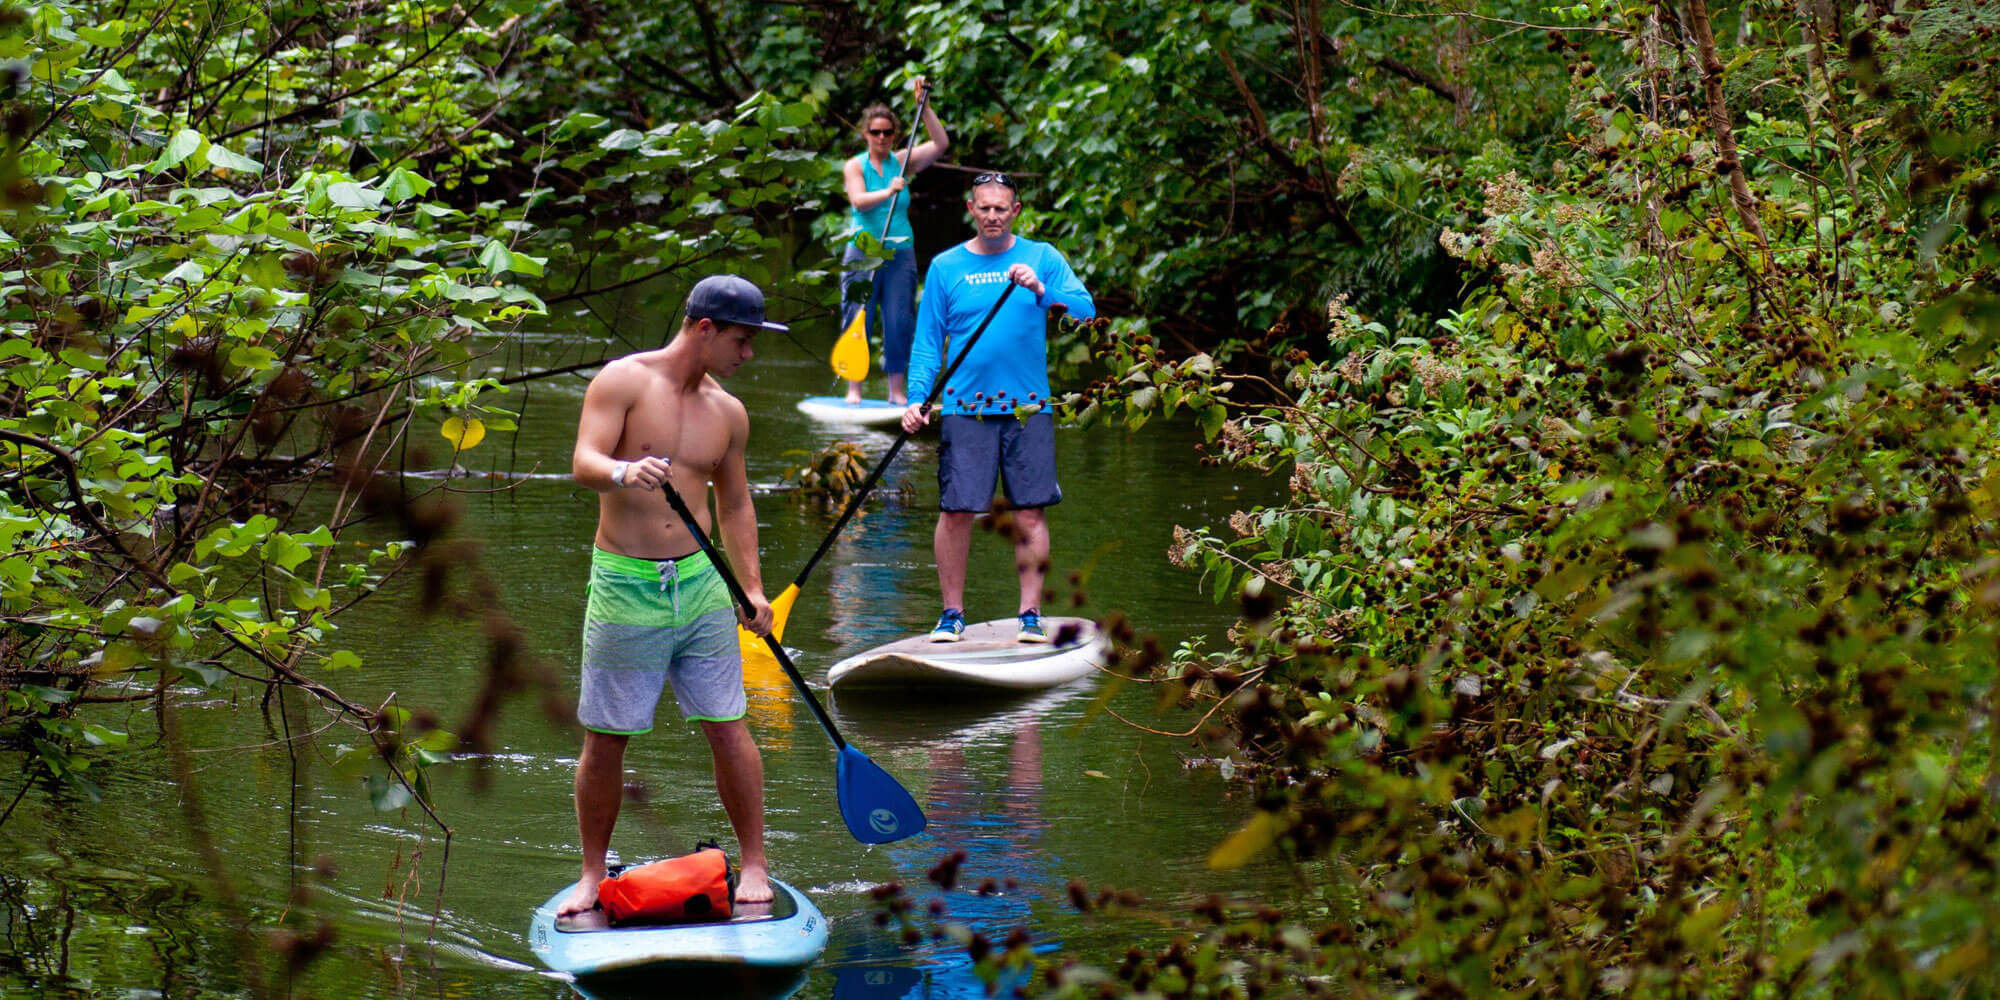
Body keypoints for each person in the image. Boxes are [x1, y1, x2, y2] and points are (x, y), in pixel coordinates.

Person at [558, 274, 782, 919]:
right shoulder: (623, 381)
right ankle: (591, 874)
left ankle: (756, 865)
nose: (748, 354)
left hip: (703, 585)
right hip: (626, 585)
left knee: (730, 728)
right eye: (742, 340)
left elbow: (735, 503)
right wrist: (626, 469)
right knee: (606, 739)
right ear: (705, 329)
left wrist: (753, 589)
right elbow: (583, 462)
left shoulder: (729, 413)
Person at [900, 173, 1095, 644]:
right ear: (970, 208)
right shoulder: (946, 267)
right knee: (956, 511)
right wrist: (916, 398)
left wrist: (1042, 292)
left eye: (1000, 209)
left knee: (1029, 513)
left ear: (1016, 211)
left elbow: (1086, 311)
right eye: (984, 208)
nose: (992, 216)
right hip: (966, 408)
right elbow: (928, 342)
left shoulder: (1042, 257)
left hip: (1030, 408)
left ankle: (1030, 613)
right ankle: (951, 614)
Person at [840, 75, 949, 405]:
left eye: (888, 132)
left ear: (895, 134)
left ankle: (896, 391)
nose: (882, 137)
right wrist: (888, 190)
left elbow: (941, 144)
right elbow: (858, 201)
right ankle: (853, 388)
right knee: (859, 313)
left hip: (900, 251)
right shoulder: (855, 166)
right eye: (876, 132)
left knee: (899, 319)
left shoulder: (902, 162)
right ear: (866, 134)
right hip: (864, 249)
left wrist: (925, 108)